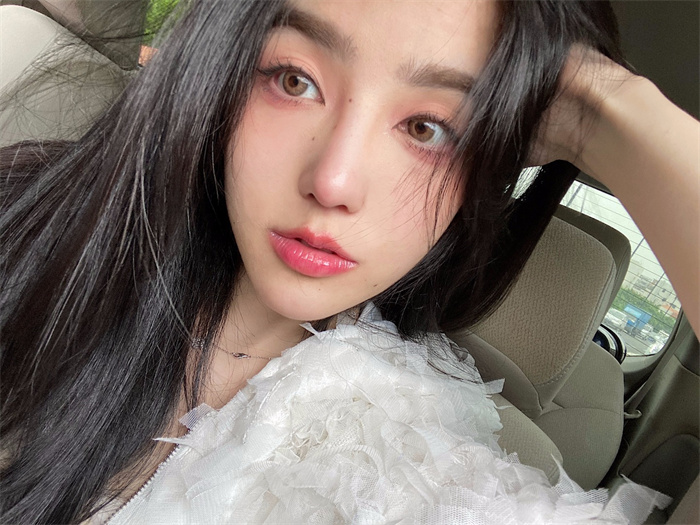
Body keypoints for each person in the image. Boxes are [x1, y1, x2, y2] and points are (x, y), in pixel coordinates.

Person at [0, 0, 697, 523]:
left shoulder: (411, 467)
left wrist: (610, 112)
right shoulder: (25, 215)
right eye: (294, 80)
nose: (333, 181)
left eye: (429, 128)